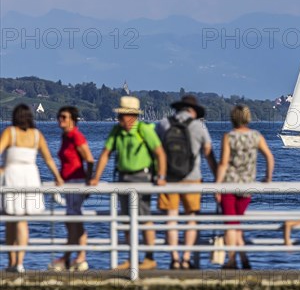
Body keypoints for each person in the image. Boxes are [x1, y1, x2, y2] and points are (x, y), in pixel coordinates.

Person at [89, 96, 167, 270]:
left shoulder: (144, 130)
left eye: (122, 115)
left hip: (142, 178)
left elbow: (160, 153)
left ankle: (149, 258)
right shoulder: (117, 131)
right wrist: (96, 177)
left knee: (144, 218)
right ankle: (131, 257)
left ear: (131, 116)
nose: (119, 119)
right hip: (123, 178)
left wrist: (161, 176)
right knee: (125, 220)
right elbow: (105, 154)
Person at [155, 95, 217, 269]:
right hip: (193, 178)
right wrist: (217, 180)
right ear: (193, 111)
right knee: (191, 219)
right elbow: (209, 154)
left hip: (168, 179)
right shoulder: (199, 126)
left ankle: (174, 259)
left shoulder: (163, 124)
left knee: (171, 220)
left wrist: (157, 175)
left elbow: (155, 151)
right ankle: (186, 258)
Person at [0, 104, 64, 273]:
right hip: (30, 177)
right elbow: (48, 159)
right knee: (22, 222)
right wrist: (57, 177)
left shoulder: (10, 133)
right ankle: (19, 262)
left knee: (11, 221)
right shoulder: (37, 135)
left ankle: (12, 262)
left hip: (12, 177)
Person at [216, 105, 274, 269]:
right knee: (236, 224)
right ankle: (244, 259)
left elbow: (223, 163)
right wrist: (267, 178)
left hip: (229, 186)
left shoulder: (229, 137)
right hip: (247, 187)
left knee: (230, 225)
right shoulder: (256, 136)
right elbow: (269, 157)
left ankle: (232, 260)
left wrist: (217, 187)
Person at [48, 106, 95, 272]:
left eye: (64, 117)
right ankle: (77, 258)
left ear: (72, 120)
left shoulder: (76, 136)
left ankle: (71, 257)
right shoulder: (65, 137)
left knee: (73, 220)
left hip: (77, 182)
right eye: (59, 117)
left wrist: (89, 181)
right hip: (68, 182)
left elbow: (89, 159)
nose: (60, 120)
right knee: (74, 221)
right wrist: (59, 177)